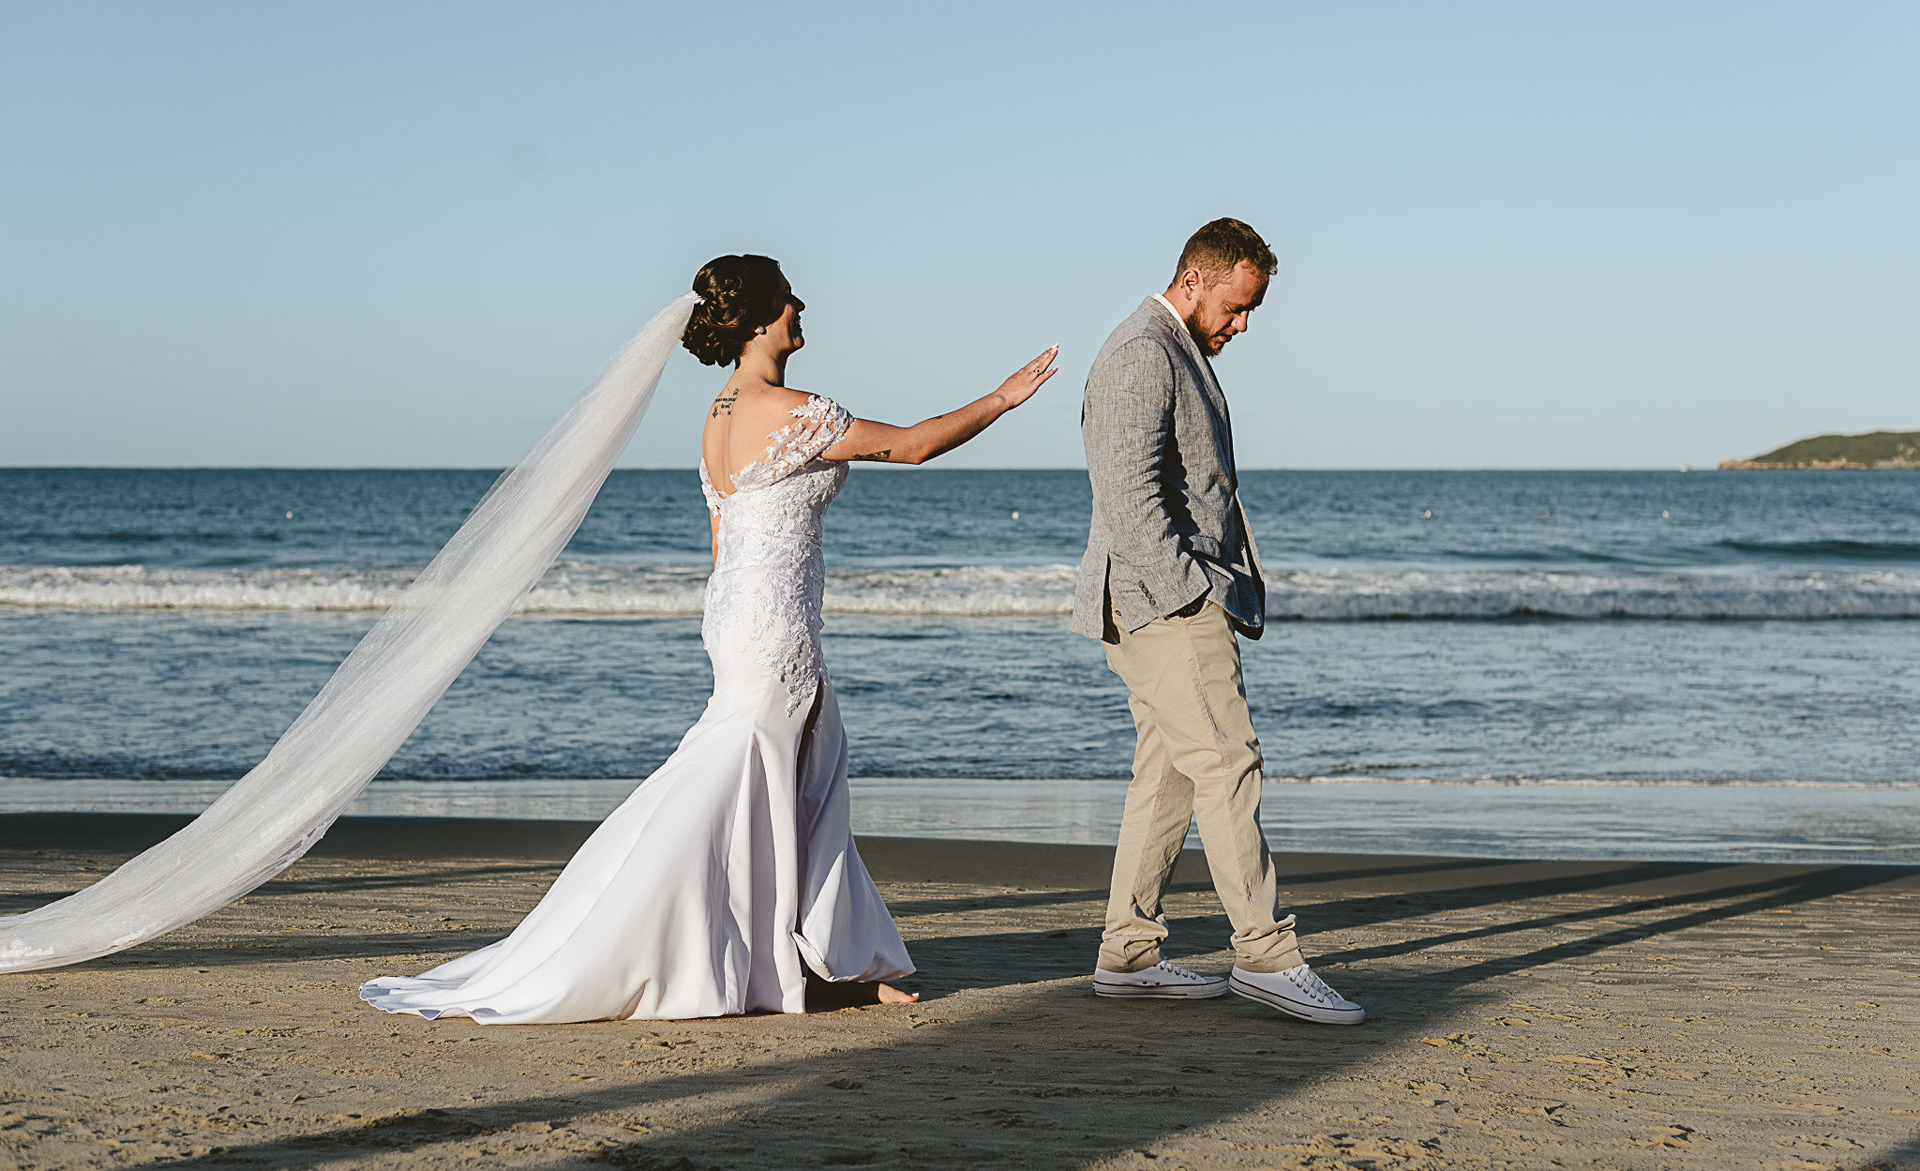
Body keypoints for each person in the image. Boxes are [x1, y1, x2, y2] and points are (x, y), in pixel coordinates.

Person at [360, 255, 1058, 1022]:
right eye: (787, 296)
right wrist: (1002, 398)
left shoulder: (719, 415)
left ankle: (811, 960)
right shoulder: (796, 411)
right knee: (754, 780)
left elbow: (723, 537)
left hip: (736, 611)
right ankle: (719, 949)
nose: (801, 305)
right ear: (760, 318)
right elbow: (917, 445)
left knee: (785, 777)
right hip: (772, 620)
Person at [1072, 218, 1364, 1024]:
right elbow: (1129, 503)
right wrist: (1189, 596)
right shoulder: (1141, 355)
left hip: (1162, 599)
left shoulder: (1176, 349)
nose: (1241, 325)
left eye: (1252, 312)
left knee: (1167, 774)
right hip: (1164, 604)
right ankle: (1266, 957)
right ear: (1192, 280)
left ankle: (1127, 954)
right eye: (1235, 308)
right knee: (1230, 762)